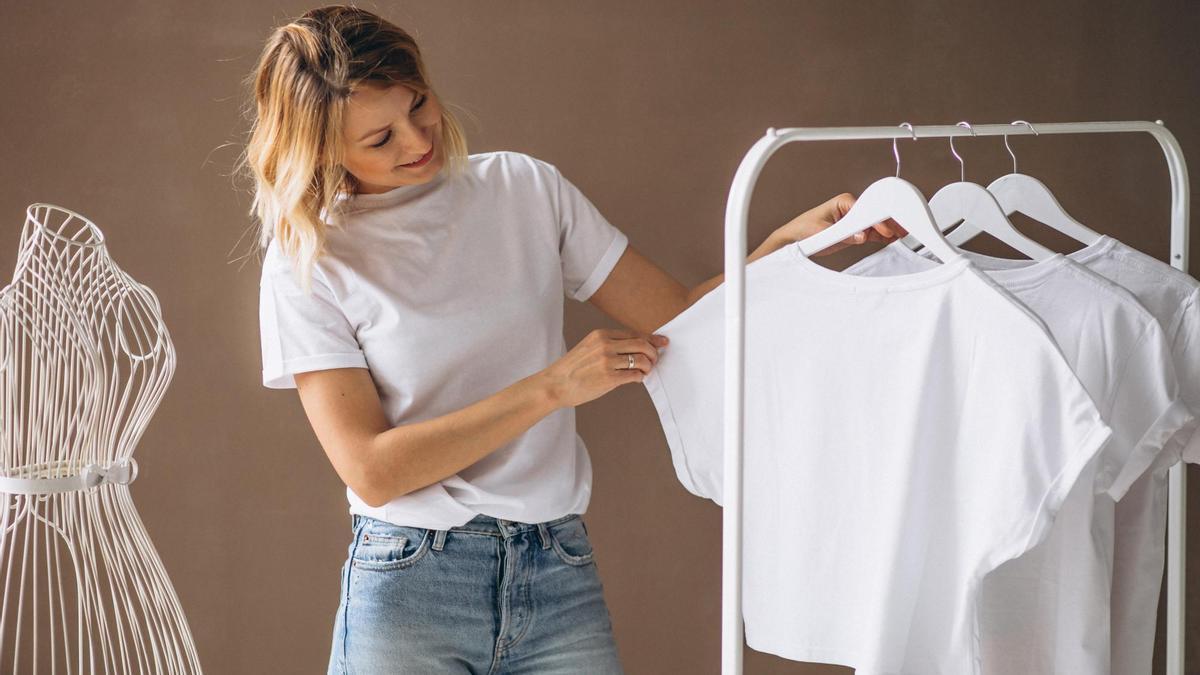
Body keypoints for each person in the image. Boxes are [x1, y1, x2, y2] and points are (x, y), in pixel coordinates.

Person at [239, 5, 903, 673]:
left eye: (419, 103)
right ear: (322, 150)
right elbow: (372, 469)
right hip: (412, 580)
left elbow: (675, 316)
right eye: (380, 139)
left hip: (555, 568)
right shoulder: (310, 259)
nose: (417, 139)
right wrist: (553, 388)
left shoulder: (524, 188)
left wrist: (792, 245)